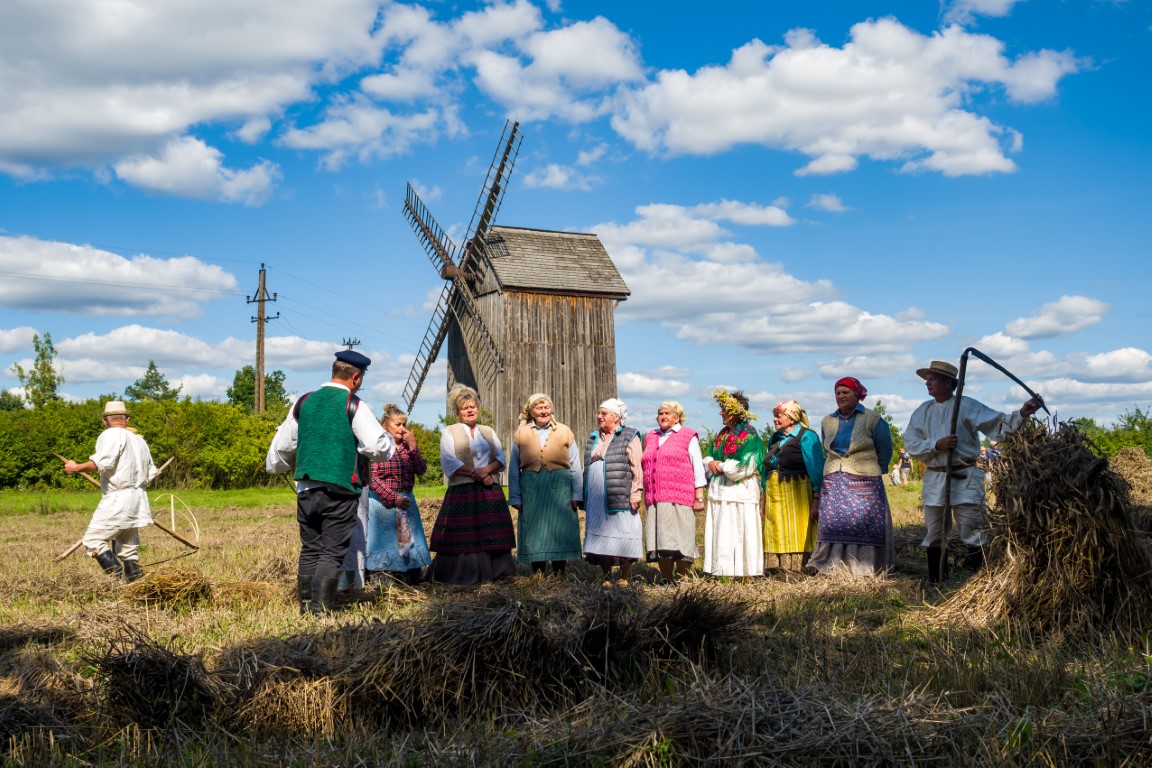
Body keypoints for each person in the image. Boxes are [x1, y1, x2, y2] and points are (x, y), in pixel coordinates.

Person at [266, 350, 395, 615]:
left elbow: (281, 448)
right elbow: (376, 445)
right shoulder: (353, 404)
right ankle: (320, 610)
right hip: (339, 489)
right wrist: (389, 446)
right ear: (356, 377)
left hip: (306, 488)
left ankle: (305, 607)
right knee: (332, 552)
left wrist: (280, 467)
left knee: (311, 548)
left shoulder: (303, 402)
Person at [904, 360, 1043, 581]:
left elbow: (998, 426)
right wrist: (936, 445)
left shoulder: (966, 406)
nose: (927, 383)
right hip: (936, 477)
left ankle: (980, 579)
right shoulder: (923, 411)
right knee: (935, 532)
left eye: (932, 378)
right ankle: (937, 579)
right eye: (927, 379)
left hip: (965, 476)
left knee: (973, 529)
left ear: (948, 382)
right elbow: (911, 442)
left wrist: (1023, 413)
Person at [805, 377, 894, 577]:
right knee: (834, 523)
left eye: (846, 392)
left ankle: (863, 565)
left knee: (865, 522)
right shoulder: (828, 420)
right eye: (838, 393)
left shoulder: (872, 418)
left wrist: (875, 468)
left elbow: (885, 448)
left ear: (857, 394)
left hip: (864, 478)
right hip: (834, 477)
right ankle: (832, 563)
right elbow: (826, 447)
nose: (841, 396)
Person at [430, 385, 517, 585]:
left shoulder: (487, 431)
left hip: (489, 490)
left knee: (491, 531)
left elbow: (501, 458)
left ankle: (498, 571)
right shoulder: (449, 431)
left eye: (473, 407)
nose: (470, 410)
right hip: (463, 490)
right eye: (465, 408)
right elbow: (449, 462)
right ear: (458, 412)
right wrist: (477, 474)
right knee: (464, 533)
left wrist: (487, 471)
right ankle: (464, 573)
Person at [64, 401, 158, 583]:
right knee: (128, 550)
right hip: (138, 499)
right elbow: (151, 472)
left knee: (93, 541)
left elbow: (102, 463)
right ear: (127, 419)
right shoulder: (140, 441)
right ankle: (138, 587)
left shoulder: (110, 435)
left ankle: (119, 583)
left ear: (104, 421)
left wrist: (76, 467)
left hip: (117, 499)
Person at [507, 393, 583, 577]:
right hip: (531, 489)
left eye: (546, 407)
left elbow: (575, 464)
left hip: (560, 489)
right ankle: (538, 575)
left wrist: (576, 494)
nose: (543, 411)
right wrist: (515, 496)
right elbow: (513, 468)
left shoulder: (565, 431)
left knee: (560, 528)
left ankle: (559, 574)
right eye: (538, 408)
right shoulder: (521, 433)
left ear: (552, 409)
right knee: (534, 531)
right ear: (531, 411)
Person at [362, 403, 431, 586]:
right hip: (383, 503)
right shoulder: (379, 448)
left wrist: (414, 447)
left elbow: (421, 470)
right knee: (385, 541)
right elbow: (373, 478)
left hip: (407, 500)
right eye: (397, 425)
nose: (402, 429)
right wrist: (394, 498)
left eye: (404, 424)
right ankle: (383, 578)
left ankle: (410, 576)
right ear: (385, 426)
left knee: (409, 539)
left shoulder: (408, 448)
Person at [701, 388, 765, 579]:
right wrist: (710, 463)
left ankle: (744, 572)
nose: (721, 413)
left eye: (724, 410)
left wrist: (719, 465)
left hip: (740, 494)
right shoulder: (722, 434)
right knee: (722, 532)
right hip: (720, 492)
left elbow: (745, 466)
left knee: (739, 531)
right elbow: (709, 457)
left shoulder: (750, 434)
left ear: (736, 412)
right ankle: (722, 571)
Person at [641, 401, 706, 586]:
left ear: (678, 417)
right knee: (661, 538)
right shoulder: (651, 436)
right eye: (660, 413)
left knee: (681, 537)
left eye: (668, 413)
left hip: (680, 496)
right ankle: (666, 579)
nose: (663, 416)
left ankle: (682, 578)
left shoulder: (687, 436)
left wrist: (699, 495)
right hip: (654, 497)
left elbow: (697, 467)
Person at [582, 398, 643, 587]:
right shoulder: (593, 437)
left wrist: (636, 492)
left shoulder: (629, 436)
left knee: (625, 530)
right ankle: (606, 576)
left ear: (616, 418)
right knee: (602, 535)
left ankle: (624, 576)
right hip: (596, 495)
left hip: (620, 492)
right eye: (599, 413)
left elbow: (637, 467)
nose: (599, 416)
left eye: (604, 413)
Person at [762, 400, 824, 574]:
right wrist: (764, 492)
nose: (775, 419)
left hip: (797, 491)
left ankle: (797, 569)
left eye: (778, 416)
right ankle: (777, 569)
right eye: (774, 416)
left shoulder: (807, 436)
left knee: (797, 529)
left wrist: (817, 497)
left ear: (791, 418)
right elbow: (766, 468)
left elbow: (816, 467)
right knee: (776, 529)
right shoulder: (775, 438)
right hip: (775, 492)